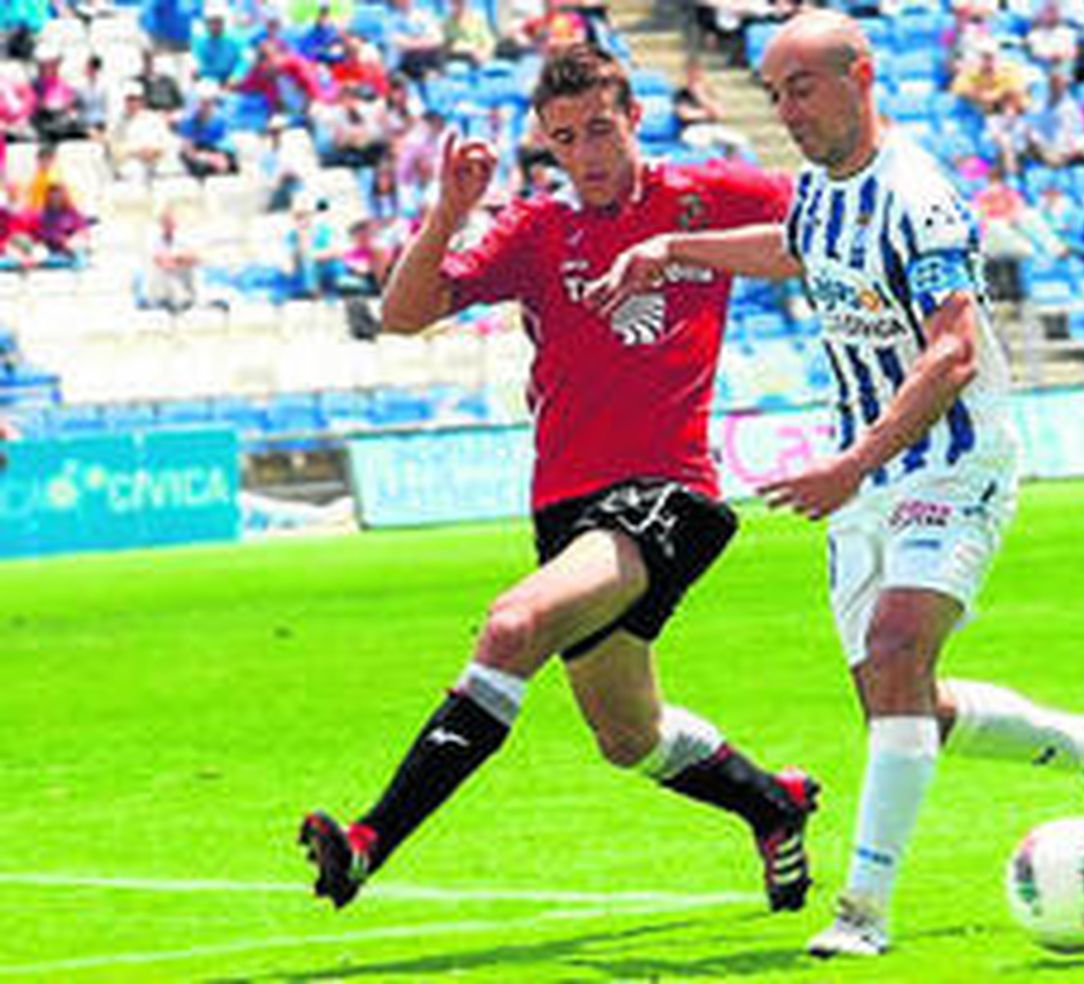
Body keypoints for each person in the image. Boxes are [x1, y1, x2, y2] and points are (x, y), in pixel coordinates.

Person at [588, 10, 1084, 958]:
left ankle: (863, 911)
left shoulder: (920, 200)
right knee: (901, 701)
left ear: (860, 78)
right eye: (775, 94)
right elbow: (797, 247)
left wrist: (851, 464)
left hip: (950, 461)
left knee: (895, 652)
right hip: (862, 481)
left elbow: (953, 354)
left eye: (802, 88)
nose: (787, 110)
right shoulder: (821, 188)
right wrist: (674, 250)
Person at [298, 43, 821, 917]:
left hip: (668, 493)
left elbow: (825, 236)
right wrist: (447, 213)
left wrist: (688, 247)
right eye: (566, 139)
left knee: (513, 625)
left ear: (636, 120)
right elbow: (401, 315)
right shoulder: (537, 229)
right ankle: (772, 804)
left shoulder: (708, 194)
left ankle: (366, 842)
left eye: (601, 131)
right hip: (568, 506)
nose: (587, 155)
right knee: (628, 736)